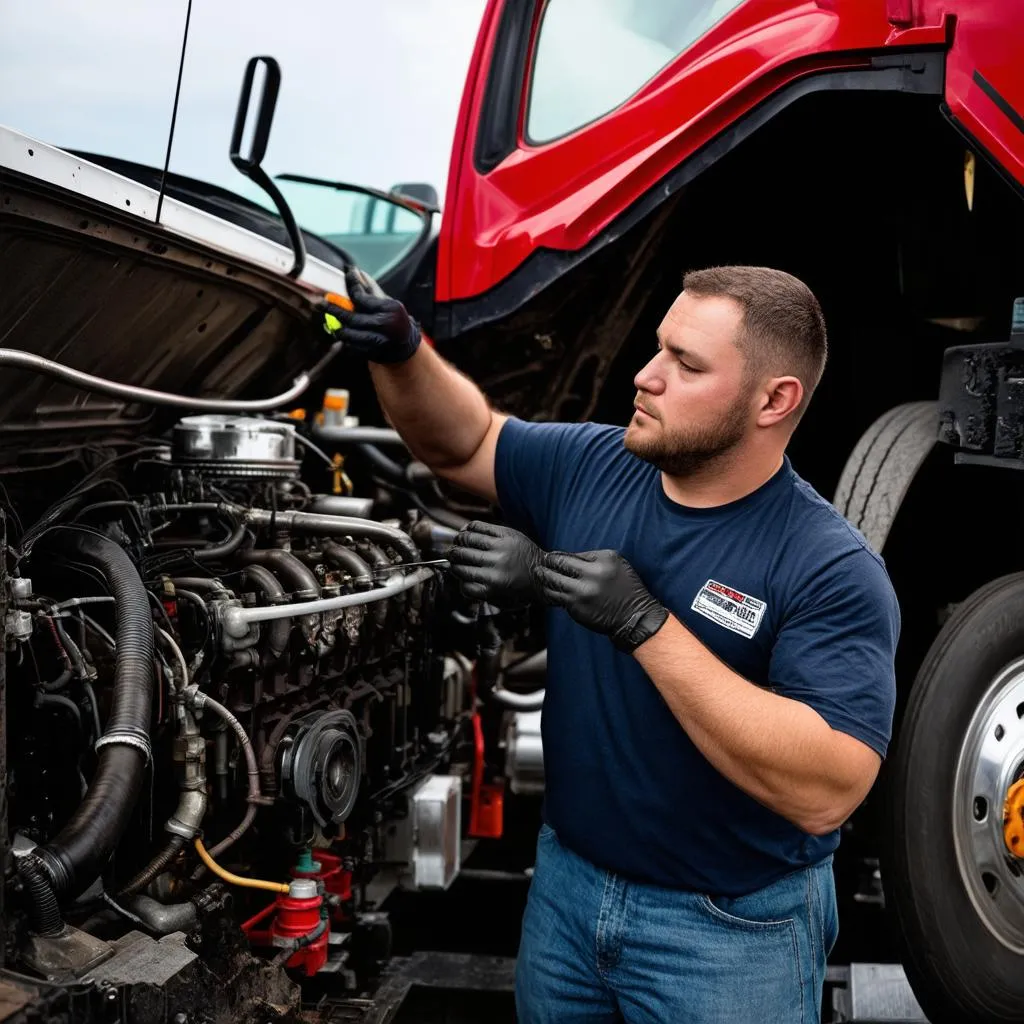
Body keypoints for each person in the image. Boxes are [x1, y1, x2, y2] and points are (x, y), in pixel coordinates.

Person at [330, 265, 899, 1023]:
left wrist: (644, 623)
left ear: (775, 399)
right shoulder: (598, 464)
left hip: (726, 934)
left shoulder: (828, 567)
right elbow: (465, 442)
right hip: (568, 892)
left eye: (685, 364)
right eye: (657, 349)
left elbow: (827, 788)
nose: (645, 376)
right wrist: (404, 351)